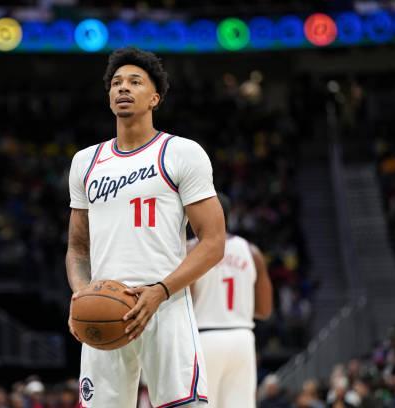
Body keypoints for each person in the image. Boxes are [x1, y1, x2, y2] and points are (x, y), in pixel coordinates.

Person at [66, 47, 225, 407]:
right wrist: (80, 294)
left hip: (165, 305)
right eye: (116, 83)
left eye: (135, 82)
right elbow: (77, 248)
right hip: (104, 304)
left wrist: (160, 291)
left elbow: (213, 242)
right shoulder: (85, 162)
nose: (123, 87)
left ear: (155, 98)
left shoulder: (182, 153)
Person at [190, 194, 273, 408]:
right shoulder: (252, 252)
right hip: (242, 339)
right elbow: (264, 310)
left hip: (205, 338)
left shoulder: (190, 249)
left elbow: (181, 302)